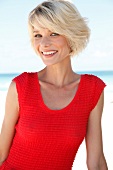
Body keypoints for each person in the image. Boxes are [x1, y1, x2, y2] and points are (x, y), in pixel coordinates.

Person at [0, 0, 108, 169]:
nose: (43, 44)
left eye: (54, 33)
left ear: (71, 35)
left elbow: (96, 162)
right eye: (37, 35)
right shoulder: (21, 86)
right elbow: (1, 153)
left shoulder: (92, 89)